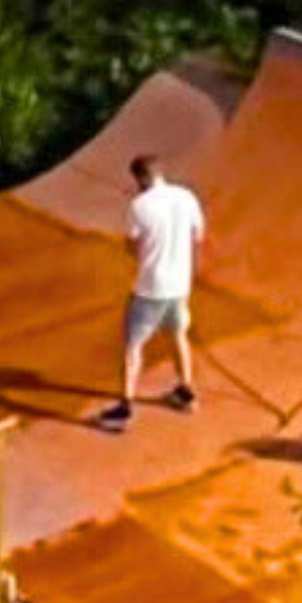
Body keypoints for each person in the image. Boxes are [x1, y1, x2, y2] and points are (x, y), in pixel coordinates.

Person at [99, 154, 204, 430]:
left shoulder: (139, 206)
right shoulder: (186, 197)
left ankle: (125, 407)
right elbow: (197, 234)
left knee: (133, 347)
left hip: (149, 288)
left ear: (142, 178)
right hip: (180, 284)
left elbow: (131, 245)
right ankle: (186, 390)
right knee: (178, 335)